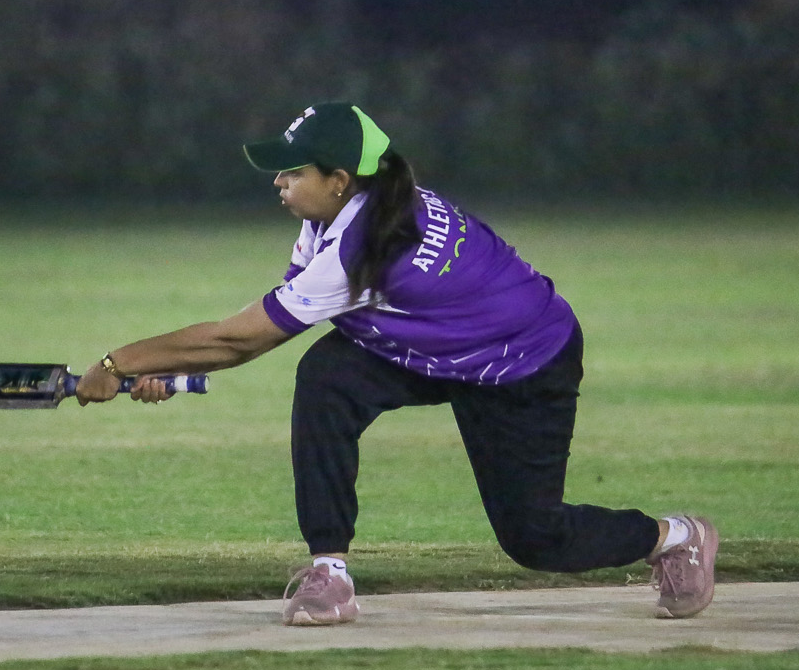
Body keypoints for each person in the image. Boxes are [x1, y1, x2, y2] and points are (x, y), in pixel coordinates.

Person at [75, 102, 718, 625]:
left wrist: (118, 361)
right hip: (434, 344)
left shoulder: (367, 243)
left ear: (338, 180)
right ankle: (329, 571)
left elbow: (240, 340)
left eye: (292, 171)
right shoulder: (349, 212)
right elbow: (265, 324)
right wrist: (166, 370)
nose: (278, 182)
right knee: (326, 378)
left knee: (536, 539)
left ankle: (677, 537)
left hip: (523, 363)